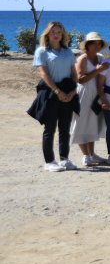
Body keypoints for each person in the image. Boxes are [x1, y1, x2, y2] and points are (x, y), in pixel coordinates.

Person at [30, 21, 79, 171]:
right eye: (53, 32)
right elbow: (43, 73)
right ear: (48, 34)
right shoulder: (42, 51)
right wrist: (57, 91)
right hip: (51, 93)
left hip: (67, 92)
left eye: (59, 32)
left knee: (65, 129)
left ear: (63, 34)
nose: (56, 35)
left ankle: (64, 159)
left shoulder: (68, 52)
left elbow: (74, 73)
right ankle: (49, 161)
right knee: (49, 128)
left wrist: (72, 91)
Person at [71, 32, 110, 166]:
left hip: (96, 93)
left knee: (93, 123)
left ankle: (92, 154)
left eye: (99, 43)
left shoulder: (99, 57)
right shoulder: (82, 59)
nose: (97, 46)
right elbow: (80, 79)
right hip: (83, 93)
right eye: (94, 43)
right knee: (81, 122)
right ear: (87, 45)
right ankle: (85, 155)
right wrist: (97, 71)